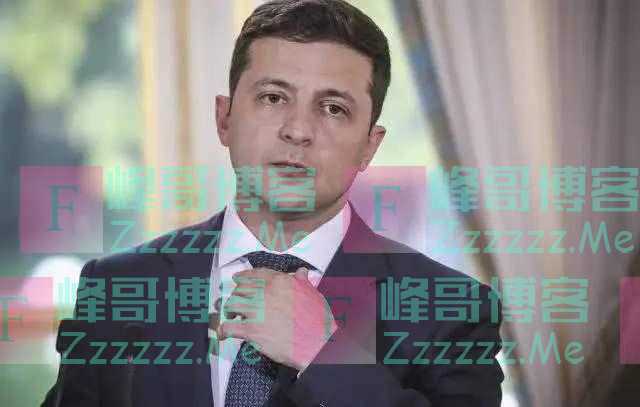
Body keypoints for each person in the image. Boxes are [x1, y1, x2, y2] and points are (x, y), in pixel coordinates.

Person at [43, 1, 503, 406]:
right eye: (273, 97)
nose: (298, 130)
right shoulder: (118, 287)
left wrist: (325, 357)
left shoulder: (452, 310)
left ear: (370, 145)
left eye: (333, 108)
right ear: (224, 118)